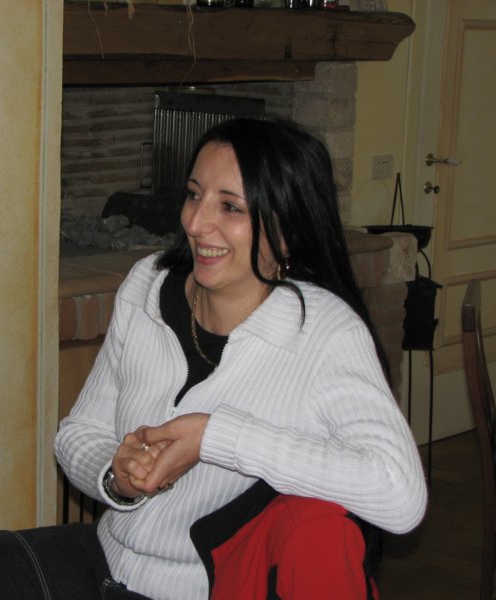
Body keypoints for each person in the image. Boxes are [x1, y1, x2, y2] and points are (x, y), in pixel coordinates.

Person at [53, 118, 427, 599]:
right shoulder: (146, 284)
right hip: (101, 563)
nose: (195, 223)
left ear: (287, 231)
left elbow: (400, 496)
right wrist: (115, 477)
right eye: (194, 195)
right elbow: (79, 431)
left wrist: (215, 436)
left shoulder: (324, 334)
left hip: (206, 589)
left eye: (230, 206)